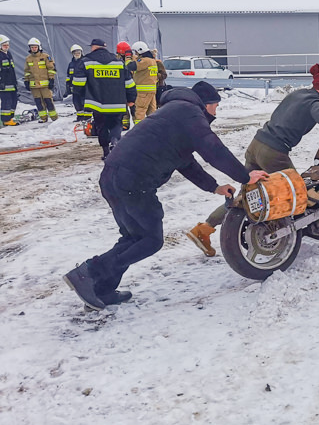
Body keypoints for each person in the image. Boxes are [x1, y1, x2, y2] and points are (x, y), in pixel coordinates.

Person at [63, 81, 269, 310]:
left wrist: (214, 187)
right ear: (206, 104)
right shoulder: (189, 112)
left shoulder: (174, 112)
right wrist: (245, 176)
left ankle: (101, 289)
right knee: (151, 240)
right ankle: (89, 273)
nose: (216, 113)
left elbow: (185, 162)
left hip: (114, 176)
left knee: (133, 237)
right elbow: (213, 149)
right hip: (133, 180)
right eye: (216, 107)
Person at [185, 63, 319, 256]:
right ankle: (297, 230)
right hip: (273, 152)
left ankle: (205, 229)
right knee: (297, 192)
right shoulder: (315, 104)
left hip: (256, 145)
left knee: (249, 197)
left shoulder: (297, 95)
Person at [72, 38, 136, 159]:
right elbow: (129, 83)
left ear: (93, 47)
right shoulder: (118, 62)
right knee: (117, 124)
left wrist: (79, 99)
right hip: (118, 102)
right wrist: (131, 99)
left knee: (101, 126)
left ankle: (106, 152)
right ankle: (115, 141)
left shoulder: (86, 62)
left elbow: (78, 84)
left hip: (98, 103)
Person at [23, 38, 57, 122]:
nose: (34, 49)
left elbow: (51, 69)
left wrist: (51, 79)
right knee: (38, 102)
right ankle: (43, 118)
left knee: (48, 101)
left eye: (35, 47)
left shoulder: (46, 57)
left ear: (39, 47)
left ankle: (54, 118)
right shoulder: (28, 59)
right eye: (32, 47)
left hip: (45, 85)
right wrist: (26, 81)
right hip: (34, 85)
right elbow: (27, 71)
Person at [126, 41, 159, 123]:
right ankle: (153, 130)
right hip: (151, 91)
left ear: (140, 51)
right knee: (152, 112)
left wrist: (128, 58)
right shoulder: (152, 60)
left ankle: (138, 130)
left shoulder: (144, 61)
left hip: (143, 92)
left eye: (136, 52)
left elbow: (130, 66)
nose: (136, 54)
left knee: (140, 112)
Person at [64, 44, 91, 122]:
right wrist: (68, 85)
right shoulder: (71, 64)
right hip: (75, 88)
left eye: (78, 52)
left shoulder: (85, 62)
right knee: (76, 102)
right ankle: (80, 117)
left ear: (81, 52)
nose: (77, 54)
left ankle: (87, 117)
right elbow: (68, 75)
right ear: (72, 54)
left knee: (85, 102)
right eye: (75, 52)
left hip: (84, 87)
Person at [0, 35, 19, 126]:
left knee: (14, 100)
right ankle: (6, 119)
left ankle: (10, 117)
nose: (6, 47)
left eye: (7, 45)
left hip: (11, 82)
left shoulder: (9, 54)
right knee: (6, 101)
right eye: (4, 45)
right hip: (4, 84)